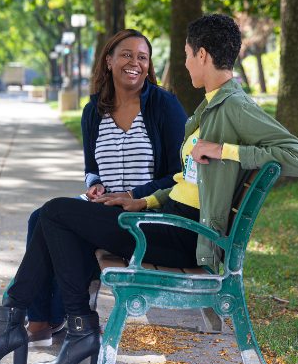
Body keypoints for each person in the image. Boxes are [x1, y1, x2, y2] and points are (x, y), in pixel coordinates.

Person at [0, 14, 298, 364]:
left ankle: (27, 326)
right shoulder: (212, 105)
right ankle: (66, 328)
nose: (185, 62)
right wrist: (144, 201)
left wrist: (224, 151)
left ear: (202, 55)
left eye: (187, 54)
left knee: (54, 214)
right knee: (58, 222)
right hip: (167, 217)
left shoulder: (232, 105)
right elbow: (186, 180)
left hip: (184, 233)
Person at [22, 29, 187, 347]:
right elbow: (91, 170)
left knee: (56, 220)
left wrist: (135, 196)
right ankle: (45, 317)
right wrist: (95, 185)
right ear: (109, 61)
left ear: (149, 65)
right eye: (126, 54)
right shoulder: (93, 111)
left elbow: (180, 174)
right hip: (105, 208)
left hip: (145, 213)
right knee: (38, 218)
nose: (134, 63)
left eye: (142, 57)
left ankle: (59, 318)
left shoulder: (163, 106)